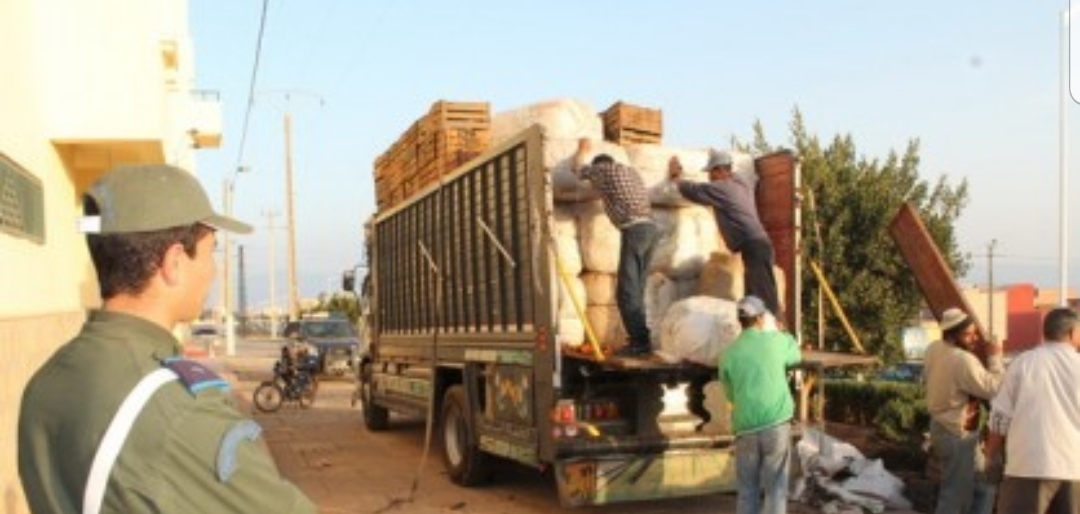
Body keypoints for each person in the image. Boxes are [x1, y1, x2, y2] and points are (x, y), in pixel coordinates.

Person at [19, 164, 316, 514]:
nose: (213, 271)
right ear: (174, 262)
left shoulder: (46, 382)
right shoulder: (181, 411)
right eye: (210, 252)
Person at [985, 307, 1080, 514]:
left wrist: (990, 457)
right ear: (1073, 333)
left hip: (1027, 466)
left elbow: (1000, 417)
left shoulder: (1022, 364)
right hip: (1074, 468)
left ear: (1044, 332)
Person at [669, 150, 781, 316]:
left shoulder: (724, 188)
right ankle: (766, 330)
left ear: (721, 170)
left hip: (754, 245)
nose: (710, 177)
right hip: (758, 244)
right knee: (760, 293)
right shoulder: (741, 182)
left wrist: (677, 178)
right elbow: (752, 177)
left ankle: (770, 332)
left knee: (760, 297)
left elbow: (695, 191)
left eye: (712, 173)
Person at [573, 138, 658, 357]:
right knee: (637, 289)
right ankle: (642, 339)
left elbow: (578, 170)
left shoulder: (603, 170)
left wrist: (582, 150)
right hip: (650, 230)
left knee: (626, 292)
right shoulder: (630, 172)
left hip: (634, 230)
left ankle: (639, 343)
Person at [720, 295, 801, 514]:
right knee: (775, 489)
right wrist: (782, 332)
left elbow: (729, 394)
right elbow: (795, 356)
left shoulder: (728, 353)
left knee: (747, 490)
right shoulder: (777, 341)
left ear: (740, 321)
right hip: (775, 425)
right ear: (761, 318)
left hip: (745, 428)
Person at [923, 307, 1003, 514]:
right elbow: (994, 388)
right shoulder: (962, 359)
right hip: (956, 433)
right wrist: (995, 358)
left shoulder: (934, 349)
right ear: (953, 334)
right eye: (968, 334)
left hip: (944, 428)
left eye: (975, 333)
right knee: (954, 496)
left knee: (981, 484)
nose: (974, 338)